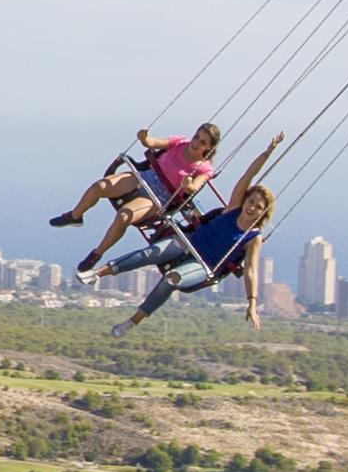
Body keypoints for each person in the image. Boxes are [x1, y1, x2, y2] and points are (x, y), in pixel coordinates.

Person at [82, 134, 283, 325]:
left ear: (262, 213)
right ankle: (98, 273)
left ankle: (135, 320)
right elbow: (248, 176)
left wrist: (252, 303)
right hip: (189, 242)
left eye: (258, 207)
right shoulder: (233, 208)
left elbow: (250, 269)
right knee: (150, 254)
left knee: (172, 279)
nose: (252, 208)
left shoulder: (253, 237)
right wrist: (267, 153)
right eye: (251, 202)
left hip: (204, 264)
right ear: (246, 200)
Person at [54, 120, 227, 264]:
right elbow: (152, 143)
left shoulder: (204, 168)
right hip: (146, 177)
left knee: (125, 216)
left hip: (159, 197)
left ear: (209, 147)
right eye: (196, 137)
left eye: (202, 142)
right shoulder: (180, 142)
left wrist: (187, 184)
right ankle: (75, 215)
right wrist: (144, 137)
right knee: (99, 187)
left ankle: (97, 254)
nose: (196, 143)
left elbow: (195, 187)